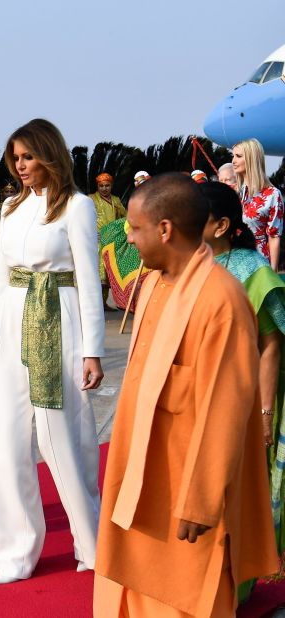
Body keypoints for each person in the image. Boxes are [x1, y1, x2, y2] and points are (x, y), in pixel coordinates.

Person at [94, 173, 278, 617]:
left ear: (165, 229)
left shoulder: (222, 299)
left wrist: (200, 500)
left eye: (134, 228)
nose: (128, 238)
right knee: (127, 582)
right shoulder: (154, 283)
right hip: (138, 471)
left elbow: (226, 410)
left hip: (185, 492)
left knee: (190, 595)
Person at [0, 119, 105, 584]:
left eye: (28, 157)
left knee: (64, 436)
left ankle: (91, 544)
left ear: (49, 155)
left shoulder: (77, 206)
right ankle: (15, 555)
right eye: (15, 158)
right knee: (10, 440)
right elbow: (0, 275)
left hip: (61, 317)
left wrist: (92, 350)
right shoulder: (11, 207)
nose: (21, 166)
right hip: (14, 320)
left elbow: (90, 281)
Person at [200, 181, 285, 582]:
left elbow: (271, 346)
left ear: (220, 225)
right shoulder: (187, 264)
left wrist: (265, 414)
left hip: (243, 400)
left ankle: (237, 583)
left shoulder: (253, 270)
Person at [233, 138, 283, 268]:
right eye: (233, 156)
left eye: (238, 156)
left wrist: (272, 272)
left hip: (258, 264)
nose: (233, 161)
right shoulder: (232, 192)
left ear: (251, 159)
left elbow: (274, 236)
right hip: (232, 263)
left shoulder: (272, 194)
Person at [89, 172, 127, 310]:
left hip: (112, 241)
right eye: (101, 186)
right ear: (97, 186)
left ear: (111, 186)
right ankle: (95, 304)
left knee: (108, 273)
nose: (104, 188)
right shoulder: (91, 199)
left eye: (107, 186)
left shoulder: (116, 200)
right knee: (97, 273)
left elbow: (125, 216)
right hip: (96, 241)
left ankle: (104, 303)